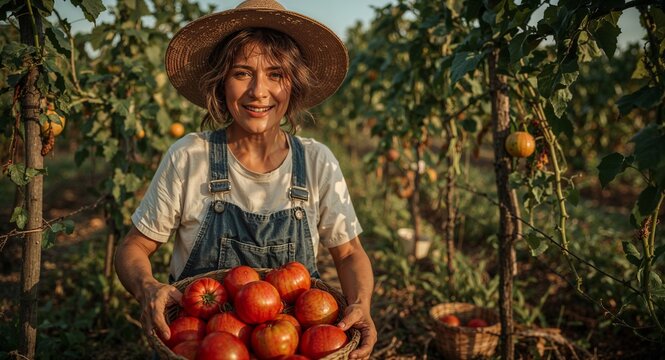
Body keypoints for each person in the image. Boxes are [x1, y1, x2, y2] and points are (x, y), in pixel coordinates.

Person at [113, 0, 377, 358]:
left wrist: (362, 304)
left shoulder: (317, 162)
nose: (258, 91)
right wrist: (147, 287)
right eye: (241, 73)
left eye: (276, 74)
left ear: (293, 85)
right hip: (205, 344)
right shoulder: (191, 157)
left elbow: (348, 254)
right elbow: (134, 246)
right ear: (221, 83)